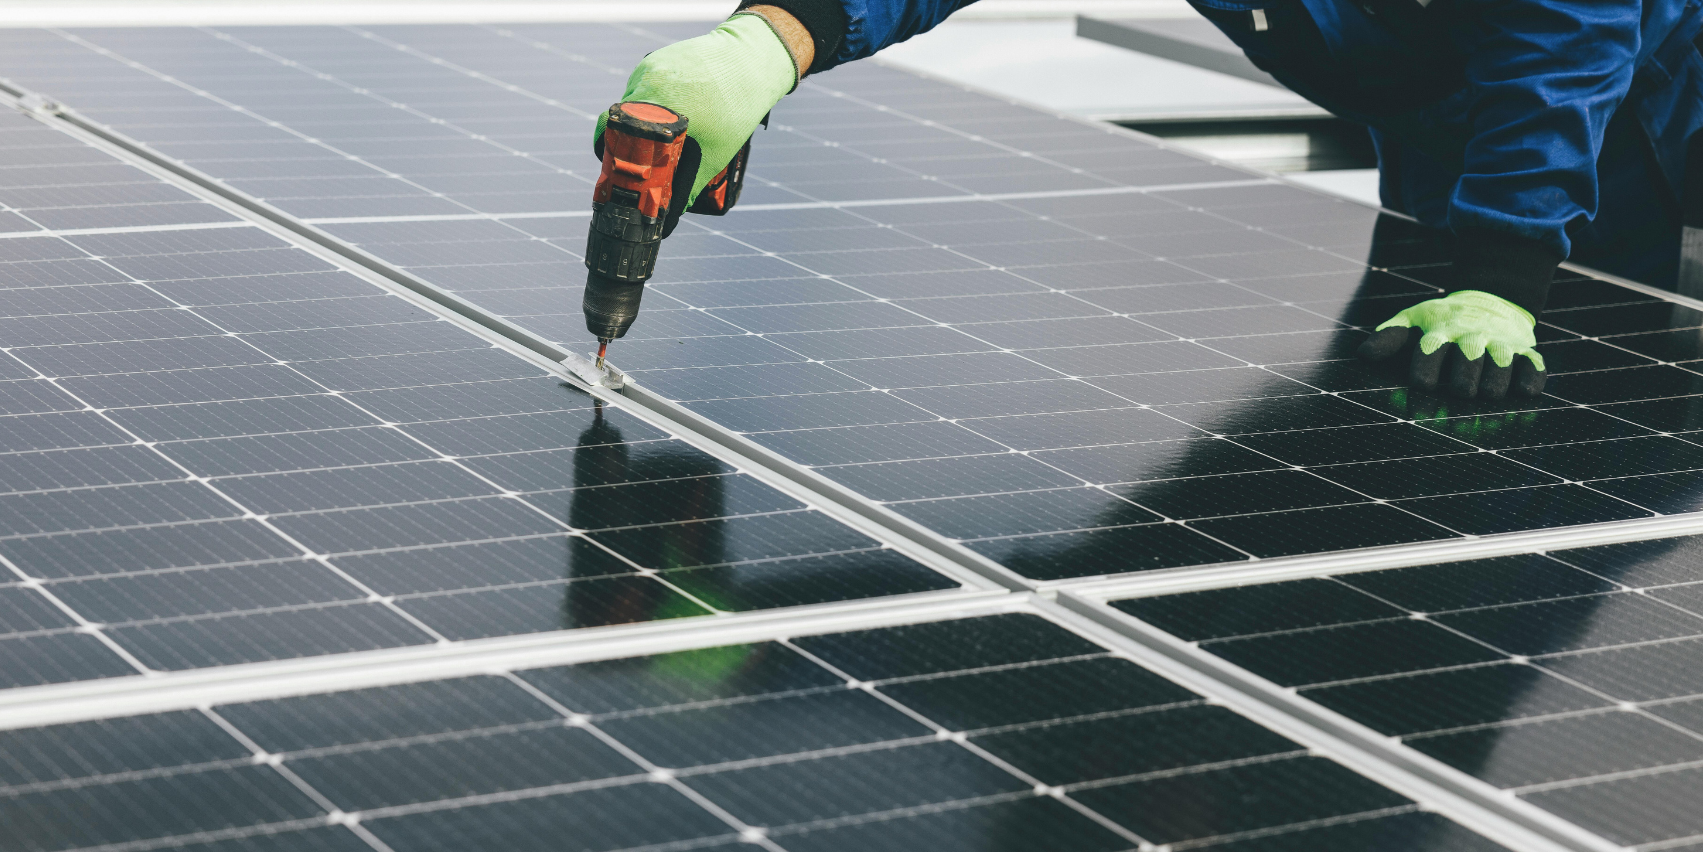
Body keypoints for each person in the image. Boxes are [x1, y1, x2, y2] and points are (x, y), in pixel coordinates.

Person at [604, 1, 1703, 401]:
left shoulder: (1333, 829)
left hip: (1636, 120)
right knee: (1408, 378)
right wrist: (771, 40)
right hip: (1430, 109)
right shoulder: (1082, 765)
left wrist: (1504, 272)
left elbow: (1567, 46)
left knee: (1581, 387)